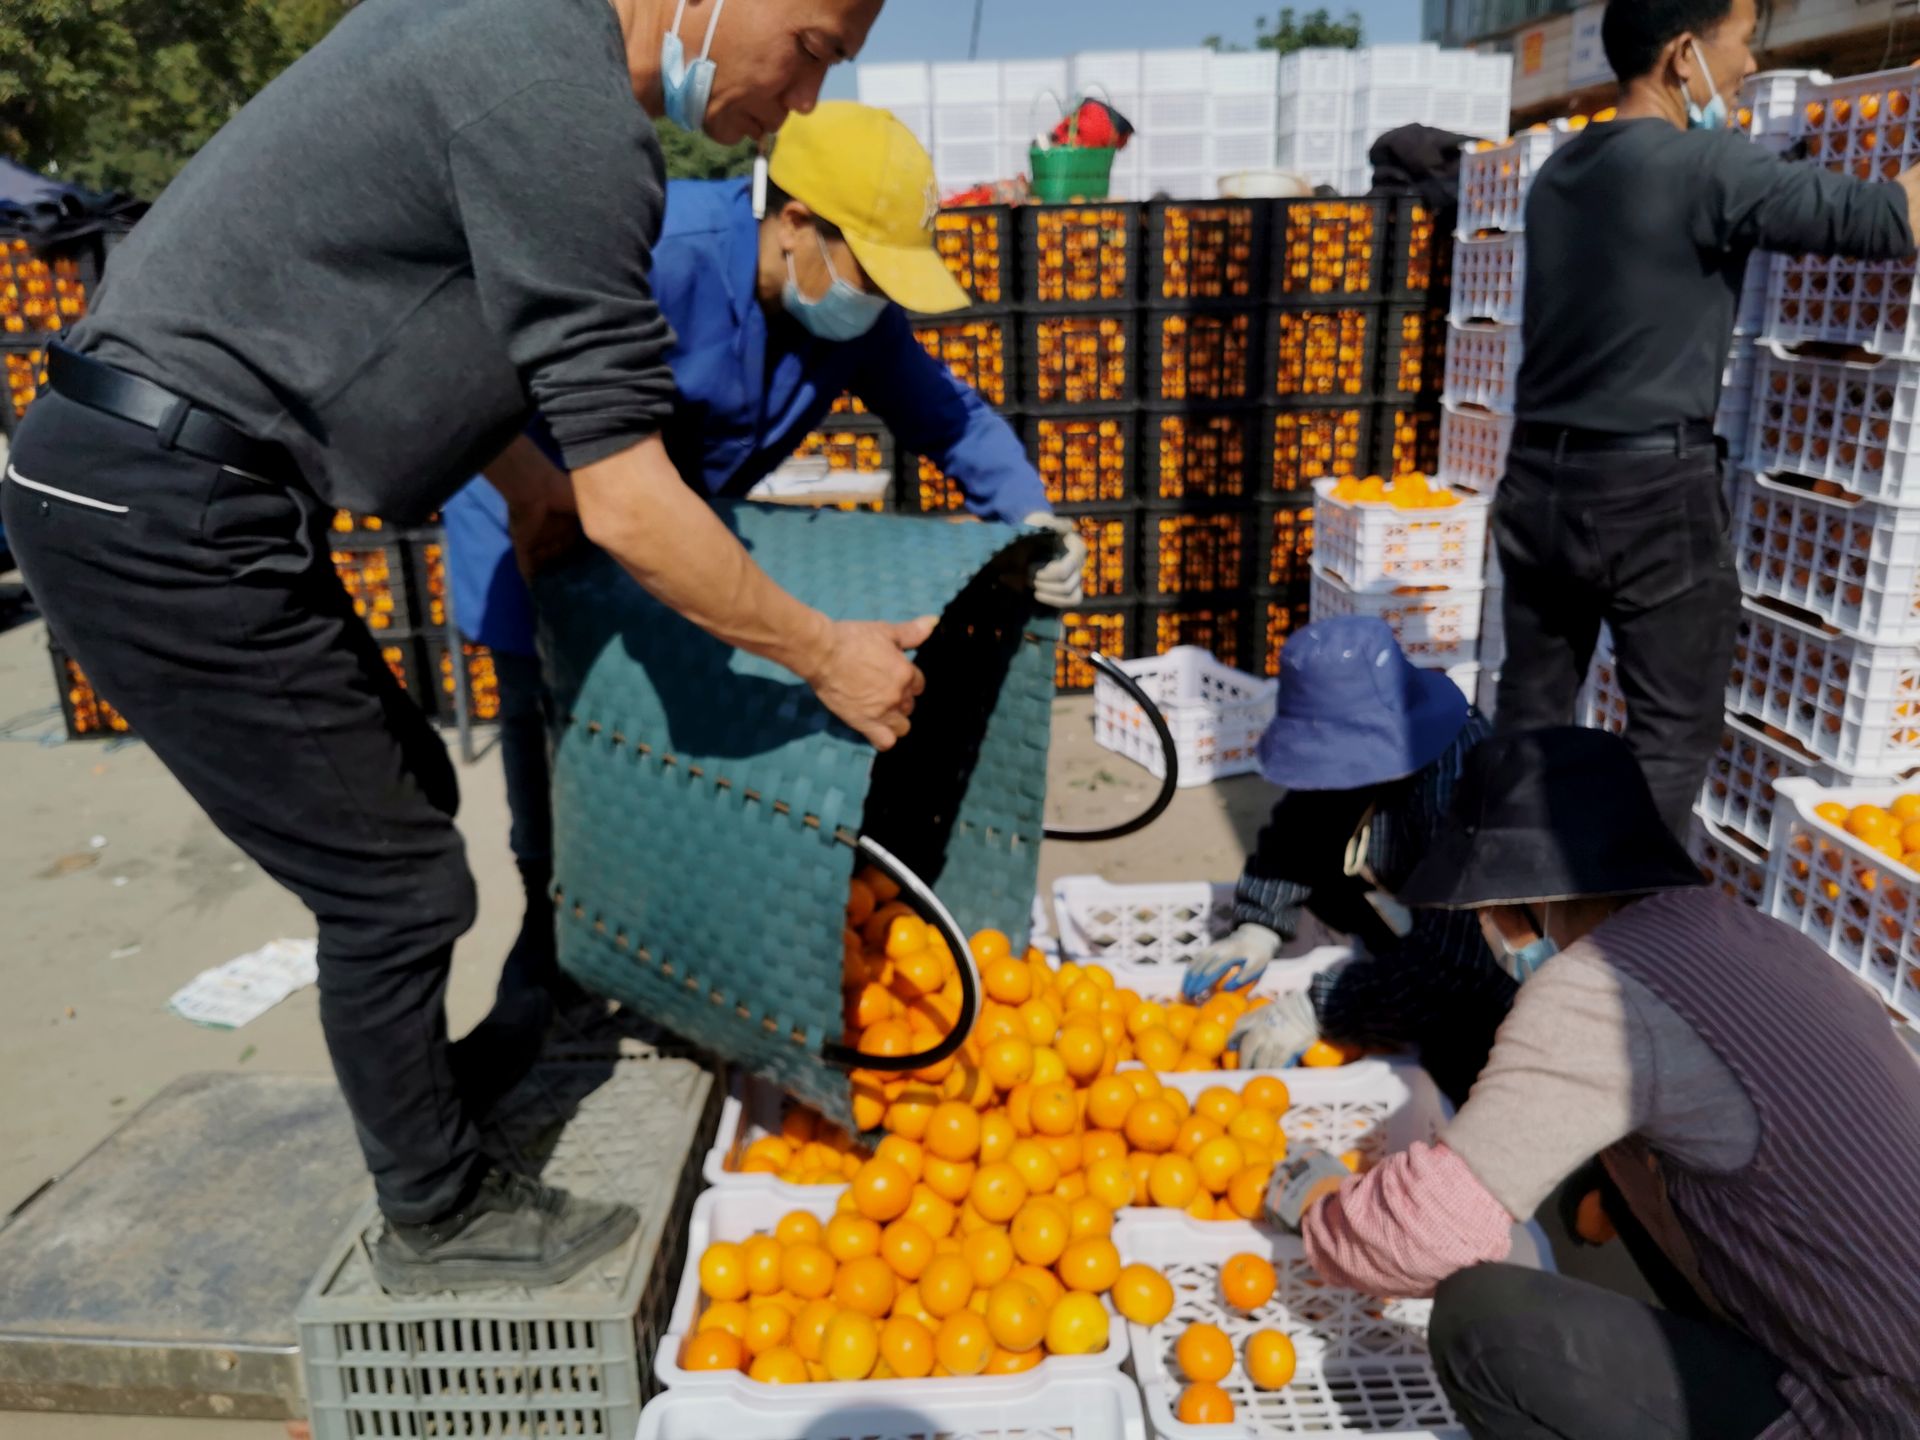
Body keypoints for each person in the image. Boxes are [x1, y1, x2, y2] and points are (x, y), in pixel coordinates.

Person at [0, 0, 953, 1294]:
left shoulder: (516, 43)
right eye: (814, 53)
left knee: (406, 802)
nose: (797, 106)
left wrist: (521, 479)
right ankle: (439, 1219)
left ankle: (424, 1110)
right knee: (395, 883)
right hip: (161, 499)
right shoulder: (564, 104)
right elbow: (632, 497)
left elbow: (410, 297)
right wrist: (828, 656)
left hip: (164, 472)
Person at [442, 103, 1081, 1006]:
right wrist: (534, 488)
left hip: (676, 538)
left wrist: (1032, 519)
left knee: (664, 739)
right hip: (535, 512)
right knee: (551, 728)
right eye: (869, 273)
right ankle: (543, 931)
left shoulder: (848, 321)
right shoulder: (656, 250)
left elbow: (949, 412)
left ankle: (657, 935)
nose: (875, 301)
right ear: (792, 223)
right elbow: (469, 367)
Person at [1261, 726, 1920, 1438]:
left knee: (1485, 1323)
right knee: (1608, 1176)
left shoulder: (1598, 984)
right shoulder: (1747, 933)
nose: (1487, 930)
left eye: (1484, 910)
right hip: (1885, 1342)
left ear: (1526, 896)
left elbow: (1426, 1232)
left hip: (1872, 1411)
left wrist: (1322, 1212)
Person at [1495, 0, 1920, 838]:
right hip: (1647, 493)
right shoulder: (1703, 166)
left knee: (1534, 711)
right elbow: (1891, 220)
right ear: (1684, 54)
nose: (1752, 65)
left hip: (1538, 480)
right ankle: (1619, 946)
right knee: (1668, 733)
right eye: (1743, 42)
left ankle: (1506, 919)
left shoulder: (1561, 173)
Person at [1183, 617, 1516, 1103]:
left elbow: (1458, 962)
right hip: (1405, 917)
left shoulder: (1460, 792)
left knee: (1458, 1057)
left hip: (1488, 970)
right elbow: (1298, 828)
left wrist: (1323, 1007)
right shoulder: (1351, 767)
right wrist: (1260, 922)